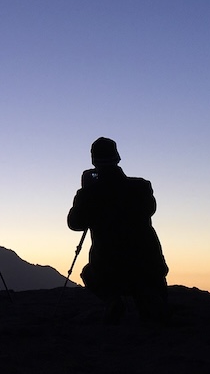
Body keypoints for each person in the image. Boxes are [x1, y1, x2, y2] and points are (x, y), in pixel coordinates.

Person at [67, 137, 169, 324]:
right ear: (118, 158)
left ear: (93, 161)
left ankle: (114, 301)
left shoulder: (90, 194)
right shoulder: (141, 186)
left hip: (109, 268)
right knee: (146, 290)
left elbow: (74, 224)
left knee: (88, 273)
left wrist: (84, 193)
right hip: (149, 265)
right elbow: (150, 209)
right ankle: (148, 298)